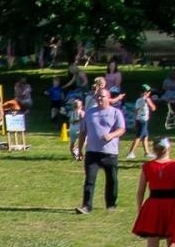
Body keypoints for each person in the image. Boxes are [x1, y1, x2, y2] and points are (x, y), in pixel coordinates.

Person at [132, 138, 175, 247]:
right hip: (172, 205)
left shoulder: (147, 166)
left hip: (154, 205)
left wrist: (140, 210)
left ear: (155, 149)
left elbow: (140, 191)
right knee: (172, 242)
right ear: (169, 149)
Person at [77, 83, 126, 214]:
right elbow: (83, 132)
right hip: (92, 152)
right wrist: (79, 149)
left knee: (112, 180)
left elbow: (121, 129)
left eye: (102, 97)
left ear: (108, 98)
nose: (99, 99)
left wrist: (111, 135)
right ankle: (86, 206)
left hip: (109, 153)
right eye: (98, 97)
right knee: (89, 180)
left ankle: (111, 204)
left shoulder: (116, 112)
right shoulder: (89, 113)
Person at [126, 85, 158, 160]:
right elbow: (153, 108)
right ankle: (131, 153)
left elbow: (136, 111)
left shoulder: (140, 100)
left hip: (142, 120)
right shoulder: (142, 100)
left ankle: (147, 152)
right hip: (142, 121)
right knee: (138, 137)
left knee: (145, 137)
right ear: (145, 92)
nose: (149, 93)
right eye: (148, 92)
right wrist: (148, 101)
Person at [66, 95, 86, 162]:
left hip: (72, 128)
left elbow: (69, 121)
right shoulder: (82, 112)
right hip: (78, 128)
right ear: (81, 106)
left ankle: (74, 155)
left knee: (72, 142)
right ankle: (76, 149)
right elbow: (82, 119)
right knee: (83, 140)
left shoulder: (71, 112)